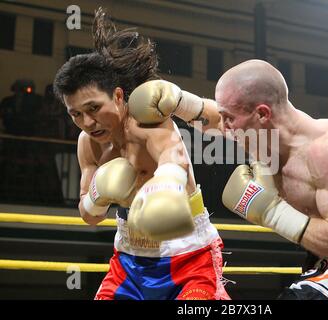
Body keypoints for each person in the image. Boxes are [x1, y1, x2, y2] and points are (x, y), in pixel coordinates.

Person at [128, 59, 328, 300]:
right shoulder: (260, 133)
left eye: (229, 118)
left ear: (262, 113)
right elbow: (214, 117)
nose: (224, 127)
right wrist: (179, 102)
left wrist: (272, 212)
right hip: (321, 258)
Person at [53, 9, 229, 300]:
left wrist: (166, 187)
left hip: (189, 257)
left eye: (94, 108)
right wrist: (97, 195)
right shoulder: (87, 144)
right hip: (128, 260)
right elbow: (89, 216)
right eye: (76, 114)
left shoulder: (146, 120)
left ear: (119, 96)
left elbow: (175, 157)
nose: (86, 122)